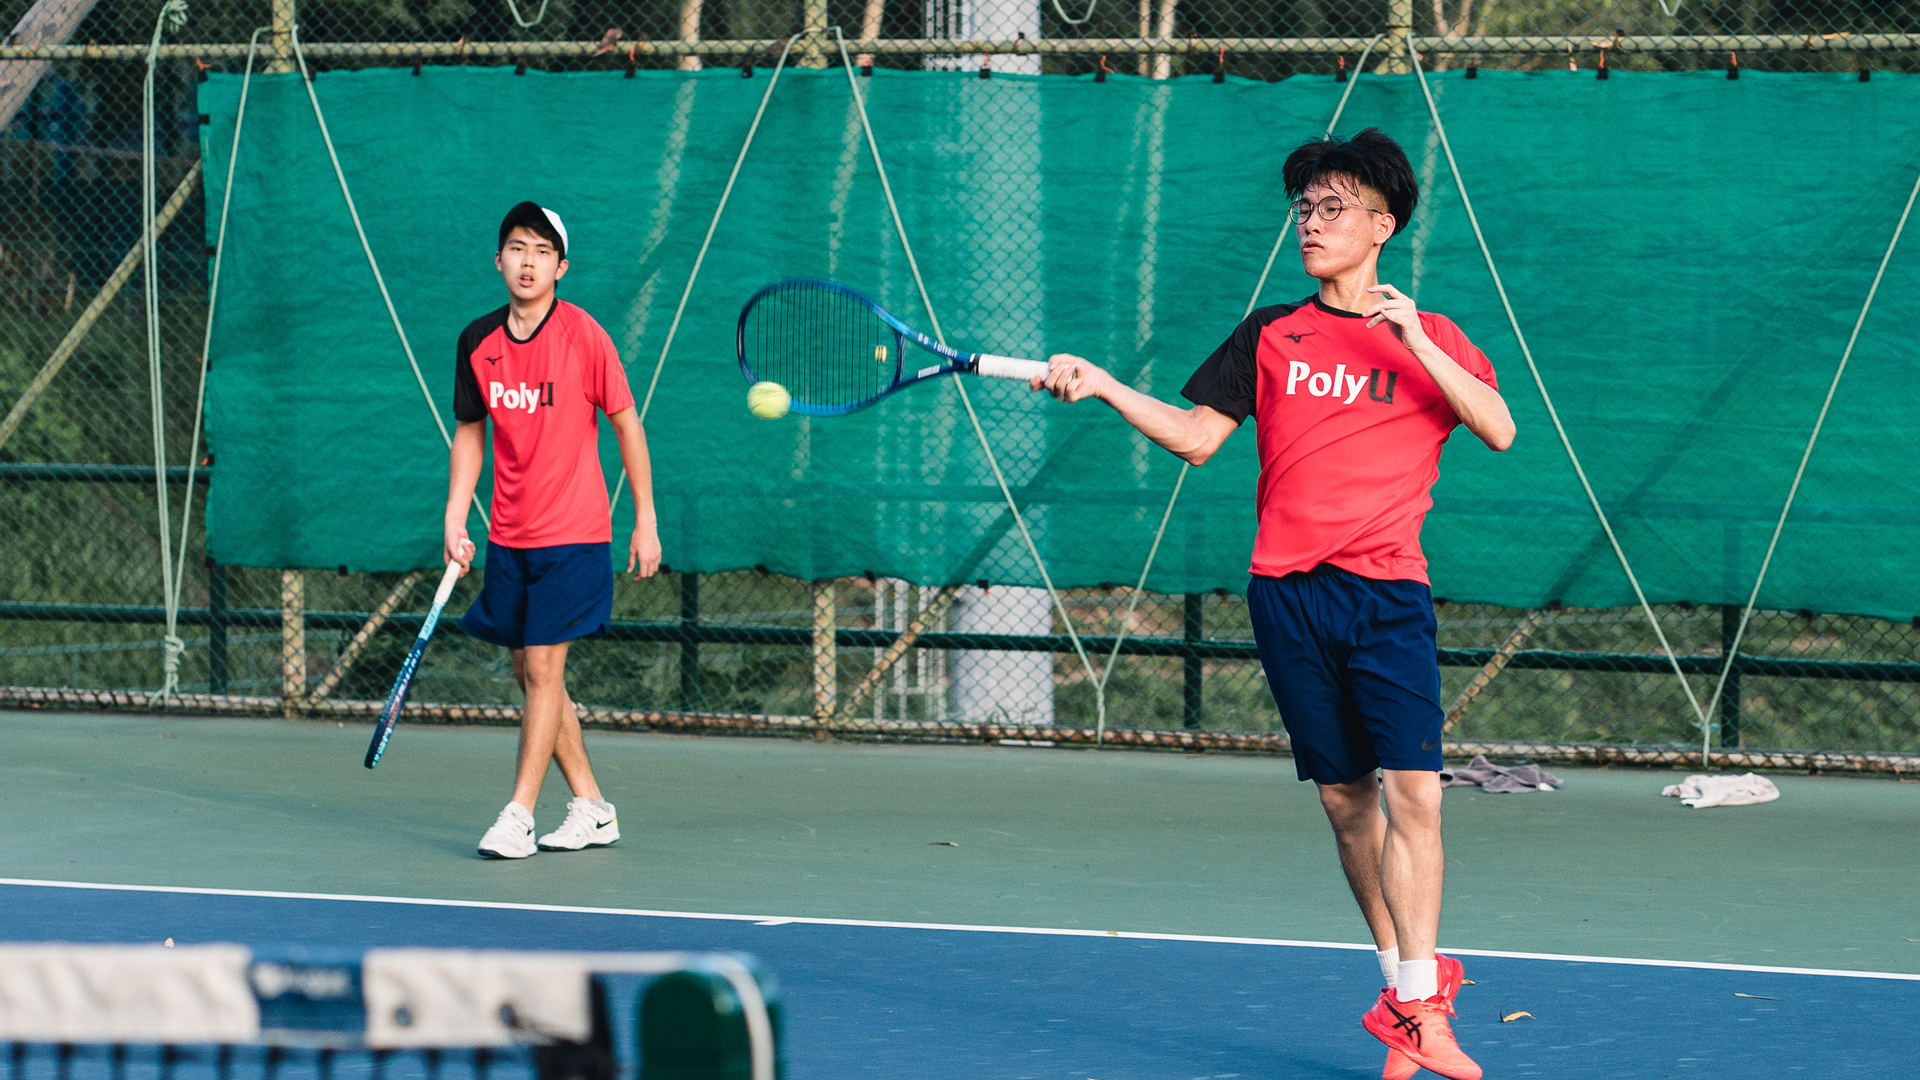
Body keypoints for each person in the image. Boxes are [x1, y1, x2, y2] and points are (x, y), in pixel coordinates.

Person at [1032, 129, 1513, 1080]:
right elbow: (1196, 438)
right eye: (1304, 209)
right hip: (1288, 596)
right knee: (1345, 804)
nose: (1311, 223)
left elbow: (1496, 428)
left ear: (1383, 224)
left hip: (1388, 592)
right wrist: (1103, 384)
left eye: (1332, 208)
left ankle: (1420, 1003)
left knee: (1415, 792)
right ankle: (1404, 994)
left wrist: (1415, 337)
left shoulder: (1436, 337)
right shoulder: (1270, 334)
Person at [443, 201, 663, 860]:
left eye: (542, 250)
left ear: (560, 267)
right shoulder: (477, 342)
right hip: (511, 536)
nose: (528, 260)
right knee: (529, 671)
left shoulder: (584, 337)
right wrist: (456, 517)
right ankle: (593, 807)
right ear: (499, 260)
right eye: (517, 247)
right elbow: (471, 433)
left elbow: (627, 424)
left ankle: (518, 813)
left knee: (543, 668)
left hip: (575, 533)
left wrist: (644, 520)